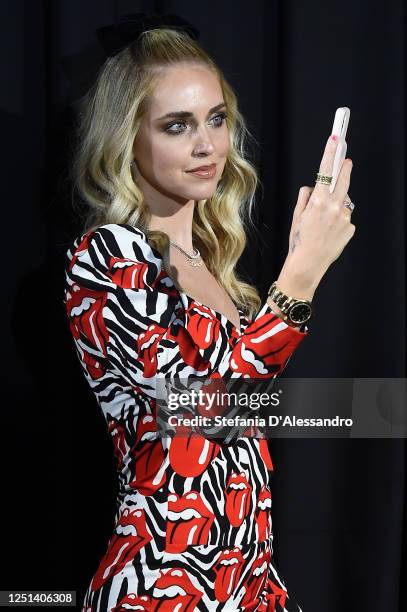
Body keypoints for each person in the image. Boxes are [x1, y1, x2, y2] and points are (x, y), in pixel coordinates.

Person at [63, 13, 355, 612]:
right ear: (128, 139)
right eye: (177, 125)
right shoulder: (107, 257)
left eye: (216, 119)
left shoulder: (217, 271)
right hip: (161, 583)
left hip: (248, 584)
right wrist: (301, 274)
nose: (206, 146)